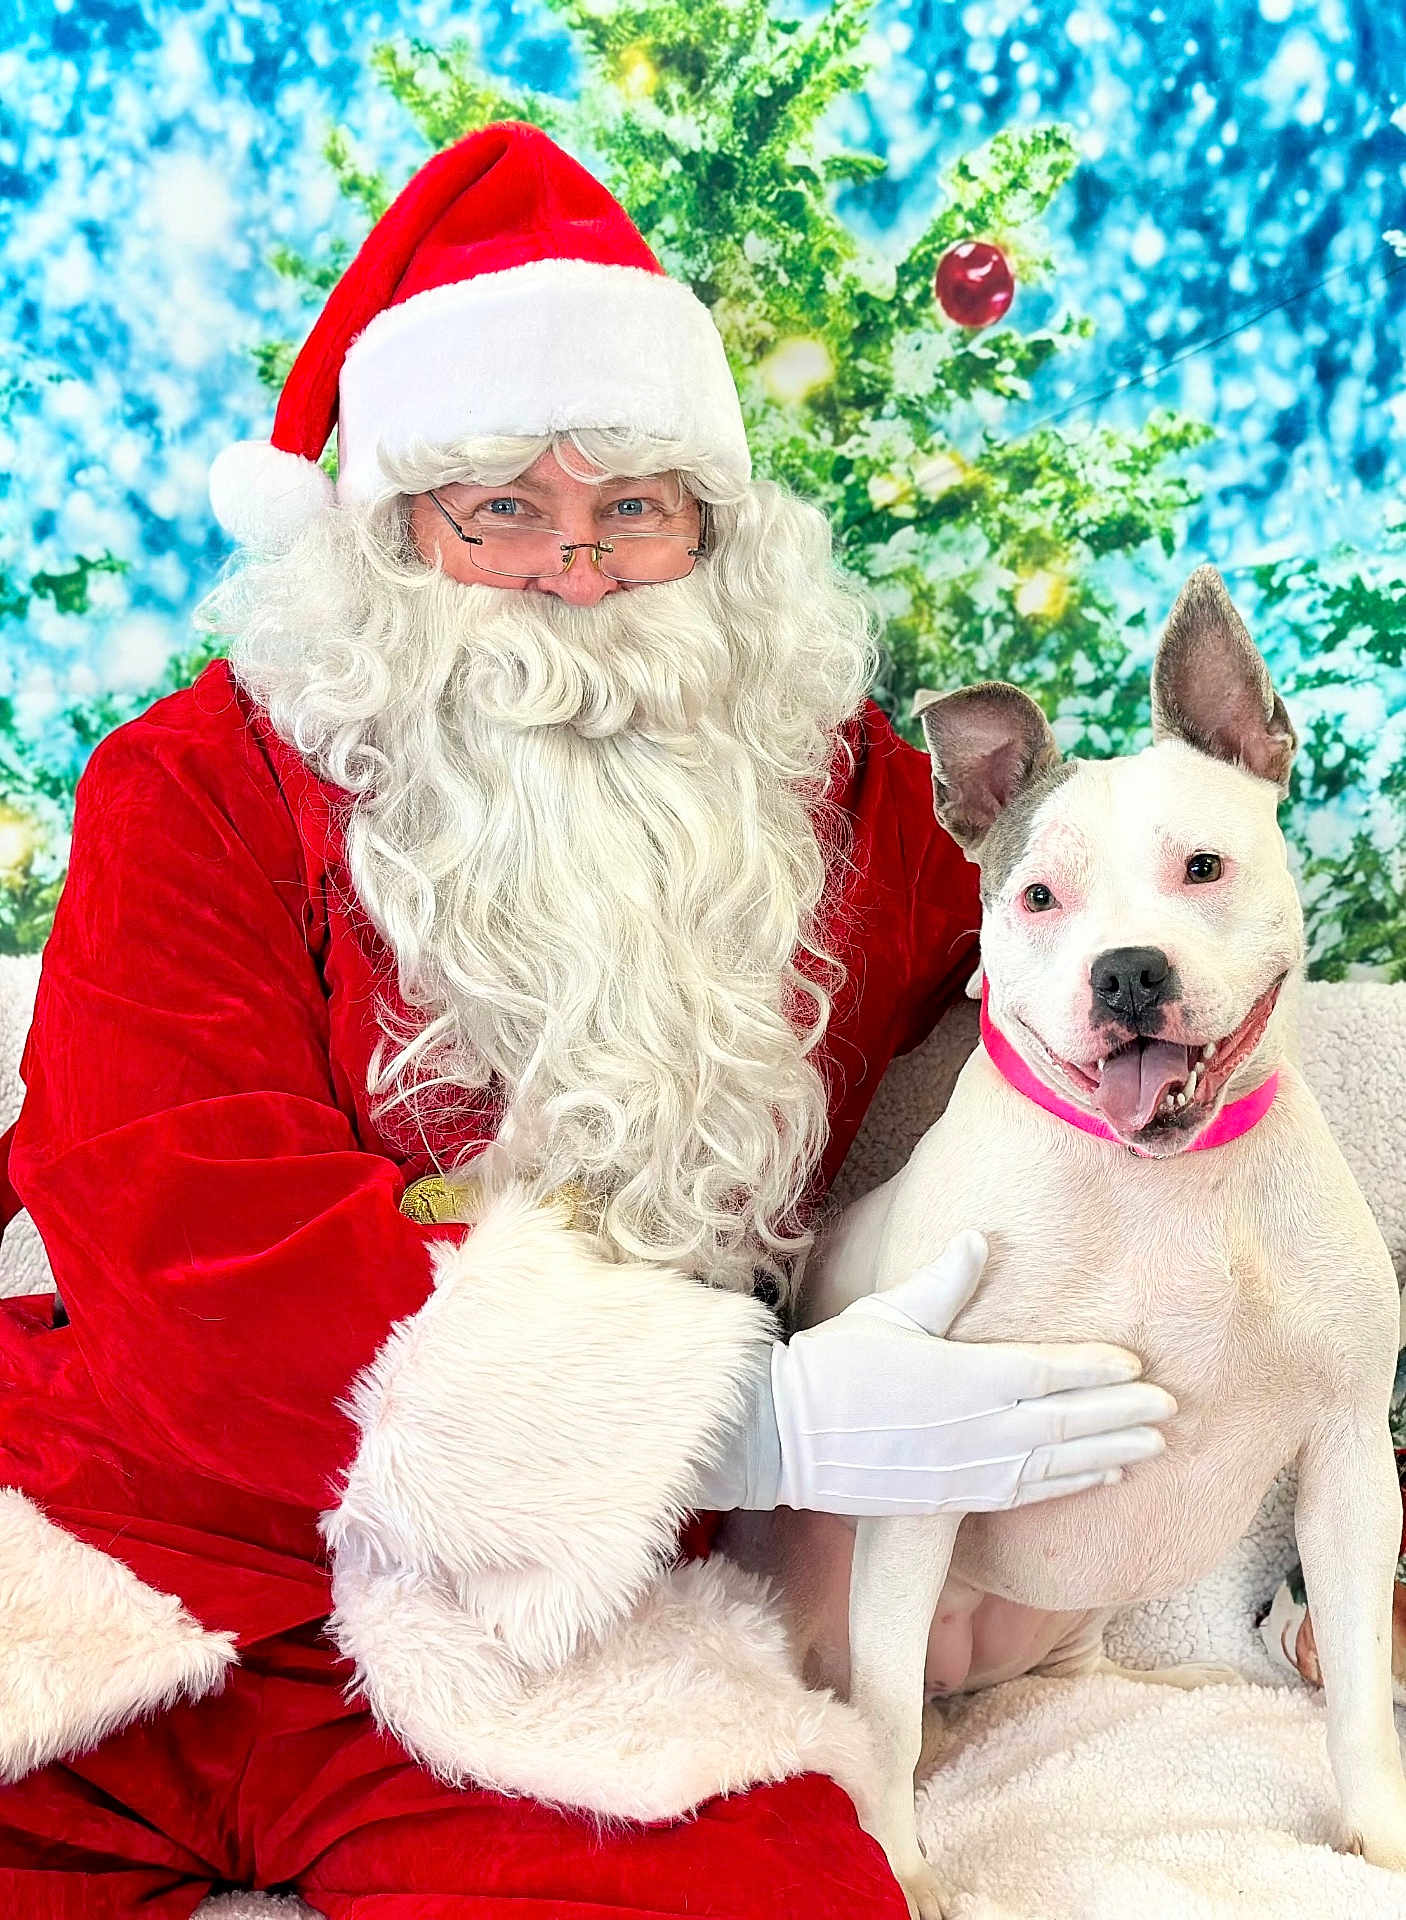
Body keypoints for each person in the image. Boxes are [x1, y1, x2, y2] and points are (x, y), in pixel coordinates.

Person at [0, 121, 1173, 1919]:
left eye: (635, 508)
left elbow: (1090, 986)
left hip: (541, 1633)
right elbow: (189, 1250)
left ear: (717, 533)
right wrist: (743, 1428)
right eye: (501, 511)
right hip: (134, 1554)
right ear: (388, 536)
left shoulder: (836, 799)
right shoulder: (196, 784)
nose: (576, 567)